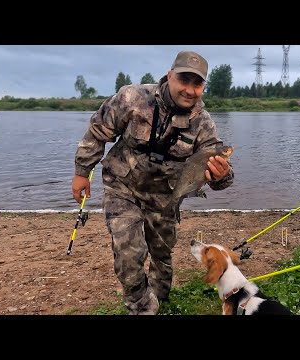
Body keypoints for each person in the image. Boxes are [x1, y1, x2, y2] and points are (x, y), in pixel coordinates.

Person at [71, 50, 234, 315]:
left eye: (197, 83)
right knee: (128, 254)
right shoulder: (132, 98)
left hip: (166, 197)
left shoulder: (204, 125)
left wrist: (220, 175)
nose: (190, 90)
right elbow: (99, 131)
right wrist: (81, 172)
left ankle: (161, 297)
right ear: (169, 76)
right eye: (184, 79)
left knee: (162, 254)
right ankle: (142, 308)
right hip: (123, 186)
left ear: (203, 86)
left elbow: (220, 177)